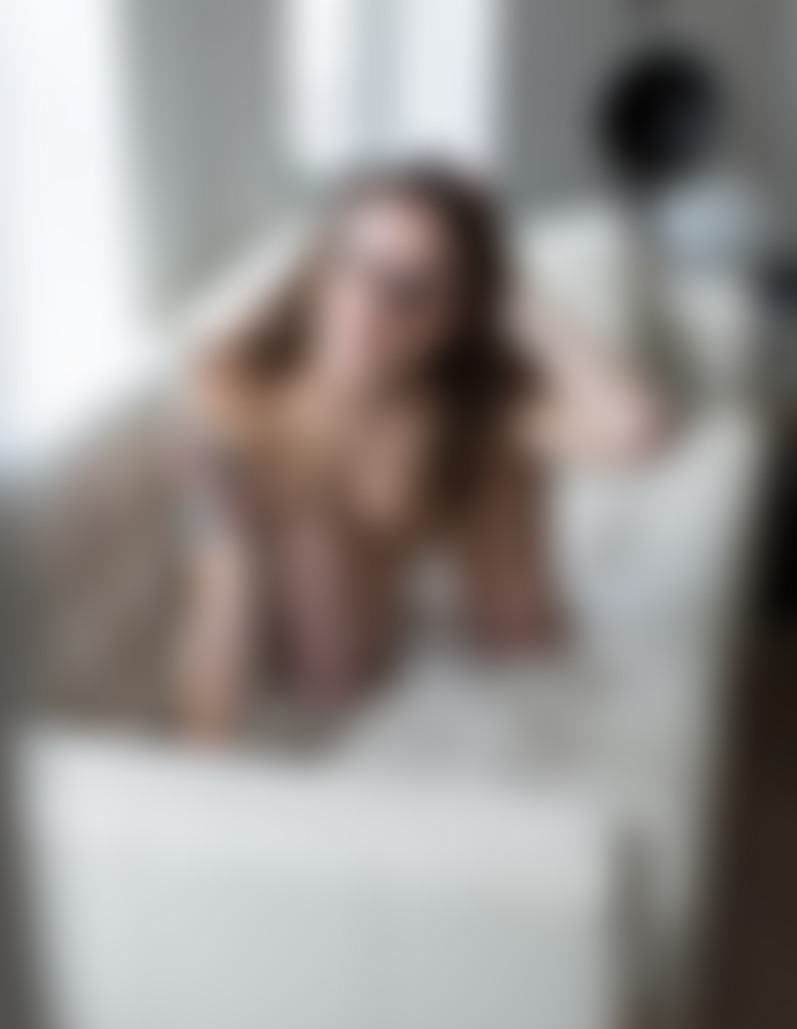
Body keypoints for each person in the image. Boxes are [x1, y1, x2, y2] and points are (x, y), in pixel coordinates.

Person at [175, 162, 662, 739]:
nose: (369, 305)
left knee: (520, 631)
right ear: (319, 264)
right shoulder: (235, 395)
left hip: (452, 469)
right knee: (328, 672)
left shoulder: (469, 397)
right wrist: (202, 777)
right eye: (352, 264)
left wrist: (519, 302)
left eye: (414, 289)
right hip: (317, 555)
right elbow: (218, 602)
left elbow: (636, 432)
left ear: (461, 314)